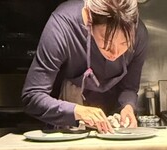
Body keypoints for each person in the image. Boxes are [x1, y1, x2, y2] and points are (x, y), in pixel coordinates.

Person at [21, 0, 148, 133]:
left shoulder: (139, 34)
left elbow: (129, 87)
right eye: (107, 42)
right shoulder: (63, 25)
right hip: (66, 120)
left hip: (113, 128)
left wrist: (128, 106)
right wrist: (77, 111)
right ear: (88, 18)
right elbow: (32, 96)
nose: (115, 52)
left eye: (124, 43)